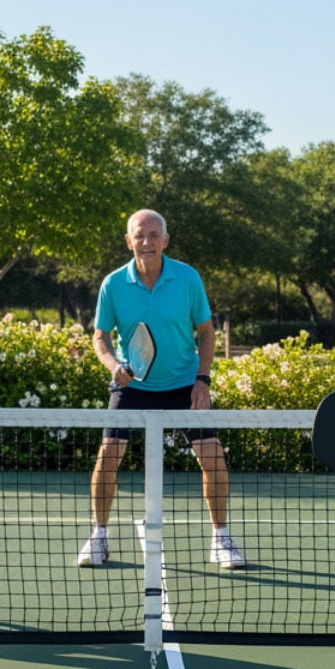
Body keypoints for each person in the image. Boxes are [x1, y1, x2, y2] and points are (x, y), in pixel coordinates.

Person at [80, 209, 245, 569]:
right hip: (132, 385)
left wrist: (203, 380)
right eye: (140, 235)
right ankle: (98, 536)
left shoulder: (187, 279)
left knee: (213, 457)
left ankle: (221, 538)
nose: (147, 242)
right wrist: (114, 367)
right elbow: (100, 338)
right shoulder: (113, 284)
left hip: (185, 384)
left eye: (154, 235)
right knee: (108, 454)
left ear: (165, 240)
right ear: (129, 241)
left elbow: (206, 332)